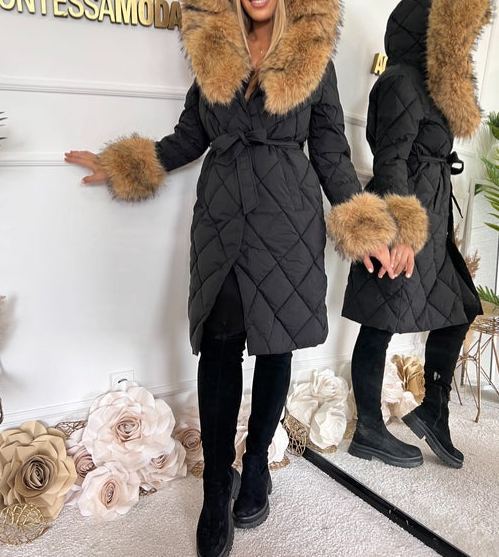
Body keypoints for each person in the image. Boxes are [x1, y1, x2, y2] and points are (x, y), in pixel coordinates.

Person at [65, 1, 404, 555]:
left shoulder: (314, 55)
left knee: (275, 345)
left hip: (287, 221)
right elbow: (188, 137)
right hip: (222, 218)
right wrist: (122, 164)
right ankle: (216, 486)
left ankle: (258, 466)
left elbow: (331, 153)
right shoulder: (213, 48)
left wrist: (368, 228)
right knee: (219, 343)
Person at [342, 0, 491, 470]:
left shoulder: (432, 87)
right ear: (429, 32)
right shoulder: (401, 81)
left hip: (432, 219)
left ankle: (432, 409)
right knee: (380, 321)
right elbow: (390, 160)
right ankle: (368, 428)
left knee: (460, 308)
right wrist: (401, 231)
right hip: (402, 218)